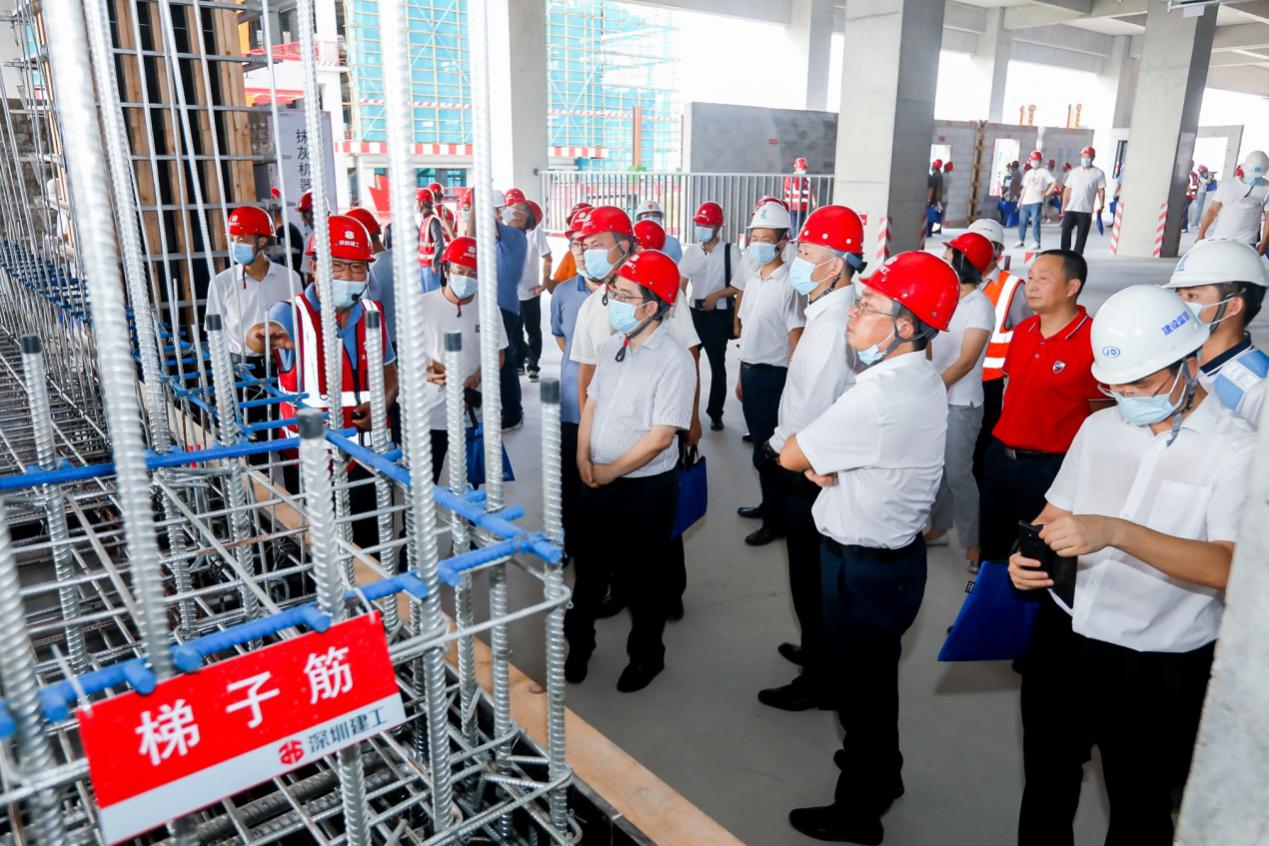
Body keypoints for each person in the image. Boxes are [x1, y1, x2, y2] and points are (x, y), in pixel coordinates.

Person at [1009, 284, 1253, 846]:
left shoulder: (1237, 450)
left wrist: (1116, 532)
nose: (1125, 398)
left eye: (1140, 385)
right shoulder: (1100, 428)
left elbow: (1229, 567)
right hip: (1066, 638)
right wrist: (1025, 556)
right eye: (1114, 387)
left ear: (1191, 362)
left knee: (1140, 808)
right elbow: (1053, 514)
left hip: (1158, 662)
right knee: (1046, 787)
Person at [778, 251, 958, 844]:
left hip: (864, 568)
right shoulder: (919, 377)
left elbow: (791, 455)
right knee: (874, 681)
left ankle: (859, 811)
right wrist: (826, 462)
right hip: (893, 562)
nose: (853, 313)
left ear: (905, 326)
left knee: (862, 692)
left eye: (868, 306)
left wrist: (814, 462)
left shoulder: (876, 396)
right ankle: (884, 773)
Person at [565, 249, 696, 693]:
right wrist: (583, 457)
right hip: (595, 481)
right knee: (588, 576)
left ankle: (647, 657)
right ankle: (579, 645)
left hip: (646, 490)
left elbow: (661, 437)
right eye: (614, 293)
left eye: (624, 296)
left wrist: (610, 471)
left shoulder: (675, 361)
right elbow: (592, 404)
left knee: (644, 582)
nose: (614, 303)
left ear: (651, 307)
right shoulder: (612, 346)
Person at [757, 204, 864, 713]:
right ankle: (816, 649)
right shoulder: (824, 313)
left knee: (812, 579)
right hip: (803, 462)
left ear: (836, 264)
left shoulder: (833, 325)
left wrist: (780, 454)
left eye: (806, 251)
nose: (797, 259)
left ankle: (819, 678)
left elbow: (814, 414)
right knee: (808, 575)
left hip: (806, 470)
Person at [244, 216, 397, 550]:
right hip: (311, 462)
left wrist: (380, 404)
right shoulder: (289, 313)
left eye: (357, 268)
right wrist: (260, 337)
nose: (348, 276)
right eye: (337, 266)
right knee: (319, 548)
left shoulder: (373, 313)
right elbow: (258, 337)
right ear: (315, 267)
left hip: (367, 456)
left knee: (371, 545)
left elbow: (390, 372)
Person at [978, 250, 1105, 566]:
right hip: (1002, 459)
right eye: (1030, 278)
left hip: (1051, 470)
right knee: (992, 549)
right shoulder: (1023, 331)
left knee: (1036, 557)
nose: (1031, 286)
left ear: (1072, 287)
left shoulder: (1093, 339)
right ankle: (985, 597)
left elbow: (1101, 416)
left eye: (1043, 279)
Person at [206, 205, 302, 458]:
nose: (236, 245)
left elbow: (299, 324)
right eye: (233, 239)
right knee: (250, 444)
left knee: (287, 437)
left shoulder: (290, 278)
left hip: (281, 368)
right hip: (240, 372)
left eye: (243, 239)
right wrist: (221, 383)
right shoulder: (221, 283)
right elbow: (214, 337)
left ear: (262, 240)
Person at [733, 200, 804, 548]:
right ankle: (768, 506)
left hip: (774, 377)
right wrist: (740, 376)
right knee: (760, 450)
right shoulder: (754, 280)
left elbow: (796, 340)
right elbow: (747, 331)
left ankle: (777, 521)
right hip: (751, 373)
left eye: (766, 238)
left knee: (771, 451)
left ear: (782, 243)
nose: (758, 244)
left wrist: (795, 387)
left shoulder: (790, 285)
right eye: (754, 237)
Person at [925, 232, 996, 570]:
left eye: (950, 253)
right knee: (936, 468)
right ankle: (939, 527)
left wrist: (932, 387)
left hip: (960, 403)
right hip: (936, 396)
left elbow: (966, 361)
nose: (944, 256)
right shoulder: (946, 294)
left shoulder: (980, 306)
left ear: (964, 261)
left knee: (957, 473)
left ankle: (974, 543)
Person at [417, 236, 508, 483]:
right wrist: (425, 371)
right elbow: (405, 355)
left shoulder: (489, 309)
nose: (466, 278)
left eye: (473, 273)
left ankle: (468, 509)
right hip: (432, 413)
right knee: (425, 481)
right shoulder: (422, 305)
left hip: (474, 411)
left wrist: (476, 378)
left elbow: (498, 354)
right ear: (446, 270)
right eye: (460, 271)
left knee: (472, 483)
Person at [1166, 238, 1269, 426]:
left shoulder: (1259, 388)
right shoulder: (1175, 359)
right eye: (1179, 295)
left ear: (1233, 306)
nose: (1180, 305)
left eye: (1192, 296)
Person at [551, 210, 598, 565]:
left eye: (587, 244)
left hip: (611, 407)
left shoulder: (623, 292)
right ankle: (569, 540)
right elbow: (560, 337)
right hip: (571, 403)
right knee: (569, 477)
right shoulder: (564, 292)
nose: (580, 251)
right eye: (575, 244)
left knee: (604, 478)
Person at [969, 217, 1031, 482]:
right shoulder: (953, 279)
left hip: (989, 382)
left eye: (984, 247)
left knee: (981, 442)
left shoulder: (1012, 288)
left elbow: (1027, 335)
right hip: (951, 377)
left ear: (998, 252)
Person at [467, 188, 527, 430]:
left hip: (503, 308)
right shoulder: (498, 239)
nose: (510, 211)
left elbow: (487, 224)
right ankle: (498, 407)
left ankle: (512, 412)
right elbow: (470, 237)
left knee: (504, 360)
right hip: (491, 305)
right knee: (492, 358)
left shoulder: (516, 236)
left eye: (517, 210)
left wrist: (478, 201)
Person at [680, 201, 740, 431]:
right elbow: (682, 284)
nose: (701, 229)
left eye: (706, 225)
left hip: (718, 317)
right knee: (687, 364)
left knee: (717, 366)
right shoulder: (691, 252)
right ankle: (685, 411)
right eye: (699, 225)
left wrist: (717, 295)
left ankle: (716, 413)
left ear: (717, 227)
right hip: (694, 315)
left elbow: (739, 285)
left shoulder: (730, 252)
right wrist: (680, 314)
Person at [1197, 150, 1269, 253]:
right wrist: (1201, 234)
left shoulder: (1267, 188)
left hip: (1247, 242)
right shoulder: (1227, 185)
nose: (1253, 177)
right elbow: (1212, 211)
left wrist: (1263, 243)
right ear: (1243, 169)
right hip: (1220, 238)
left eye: (1257, 176)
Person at [514, 198, 551, 383]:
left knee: (533, 330)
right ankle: (519, 362)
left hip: (530, 293)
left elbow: (548, 258)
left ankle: (533, 366)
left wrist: (544, 284)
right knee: (515, 331)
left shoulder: (536, 233)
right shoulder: (508, 232)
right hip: (511, 294)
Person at [1060, 146, 1106, 255]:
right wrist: (1064, 205)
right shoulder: (1074, 172)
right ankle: (1065, 255)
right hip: (1071, 208)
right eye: (1083, 157)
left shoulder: (1098, 173)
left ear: (1093, 157)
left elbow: (1101, 190)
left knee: (1081, 235)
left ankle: (1077, 257)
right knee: (1065, 231)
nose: (1085, 159)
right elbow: (1067, 189)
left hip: (1086, 211)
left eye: (1088, 157)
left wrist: (1101, 205)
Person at [550, 202, 594, 289]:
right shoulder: (570, 256)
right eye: (573, 223)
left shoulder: (606, 256)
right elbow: (556, 287)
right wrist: (546, 277)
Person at [1016, 151, 1054, 250]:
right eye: (1033, 160)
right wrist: (1020, 201)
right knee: (1022, 222)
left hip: (1036, 201)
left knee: (1035, 222)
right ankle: (1021, 240)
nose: (1034, 162)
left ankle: (1037, 242)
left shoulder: (1044, 172)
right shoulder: (1028, 173)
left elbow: (1053, 182)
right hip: (1025, 201)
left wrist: (1047, 193)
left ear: (1040, 161)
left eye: (1036, 160)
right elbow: (1024, 188)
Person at [416, 187, 451, 294]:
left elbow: (440, 244)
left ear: (421, 203)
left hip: (430, 266)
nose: (416, 205)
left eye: (417, 202)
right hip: (423, 265)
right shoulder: (424, 219)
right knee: (424, 296)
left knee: (432, 295)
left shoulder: (433, 220)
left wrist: (435, 263)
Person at [276, 190, 313, 275]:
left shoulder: (285, 232)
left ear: (308, 215)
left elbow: (310, 276)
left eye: (302, 215)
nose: (302, 220)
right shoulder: (288, 230)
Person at [784, 156, 814, 232]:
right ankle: (794, 239)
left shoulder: (807, 178)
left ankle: (796, 238)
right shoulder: (790, 178)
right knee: (794, 227)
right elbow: (786, 192)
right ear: (796, 168)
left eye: (804, 169)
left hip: (804, 206)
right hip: (793, 207)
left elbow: (812, 189)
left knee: (800, 227)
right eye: (801, 168)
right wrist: (785, 203)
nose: (803, 170)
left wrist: (813, 201)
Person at [927, 158, 945, 236]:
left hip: (933, 199)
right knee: (931, 215)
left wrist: (936, 200)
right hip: (934, 198)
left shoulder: (937, 176)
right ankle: (929, 231)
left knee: (930, 215)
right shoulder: (938, 175)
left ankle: (929, 232)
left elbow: (937, 189)